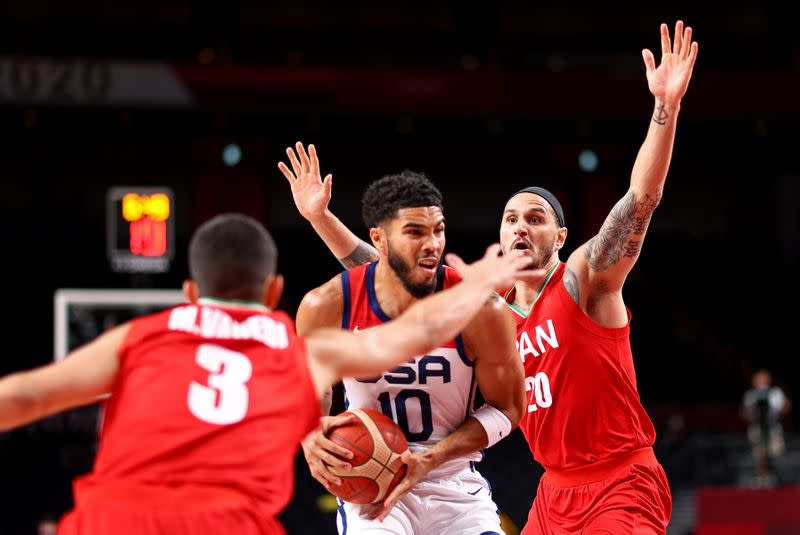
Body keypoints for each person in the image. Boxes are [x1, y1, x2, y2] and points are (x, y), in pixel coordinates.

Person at [280, 20, 698, 534]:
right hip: (554, 487)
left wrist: (666, 108)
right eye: (511, 218)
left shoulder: (584, 281)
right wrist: (321, 218)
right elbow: (387, 268)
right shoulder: (486, 305)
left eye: (536, 217)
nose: (520, 225)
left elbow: (639, 202)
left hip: (621, 479)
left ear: (561, 236)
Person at [0, 213, 532, 535]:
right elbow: (409, 334)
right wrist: (474, 286)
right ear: (275, 291)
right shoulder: (298, 349)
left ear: (189, 293)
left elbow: (23, 396)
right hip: (229, 523)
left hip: (111, 520)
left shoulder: (141, 337)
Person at [279, 148, 527, 535]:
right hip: (371, 484)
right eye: (414, 232)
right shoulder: (326, 305)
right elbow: (312, 392)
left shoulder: (484, 311)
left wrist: (431, 458)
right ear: (378, 238)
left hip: (454, 483)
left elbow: (509, 408)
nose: (432, 243)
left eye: (438, 230)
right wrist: (312, 432)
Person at [741, 369, 790, 487]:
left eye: (763, 378)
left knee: (776, 453)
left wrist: (778, 411)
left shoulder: (775, 393)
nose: (761, 381)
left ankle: (777, 478)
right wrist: (753, 414)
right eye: (758, 379)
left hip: (773, 429)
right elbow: (744, 413)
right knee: (759, 455)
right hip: (757, 429)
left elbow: (786, 407)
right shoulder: (750, 395)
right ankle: (763, 479)